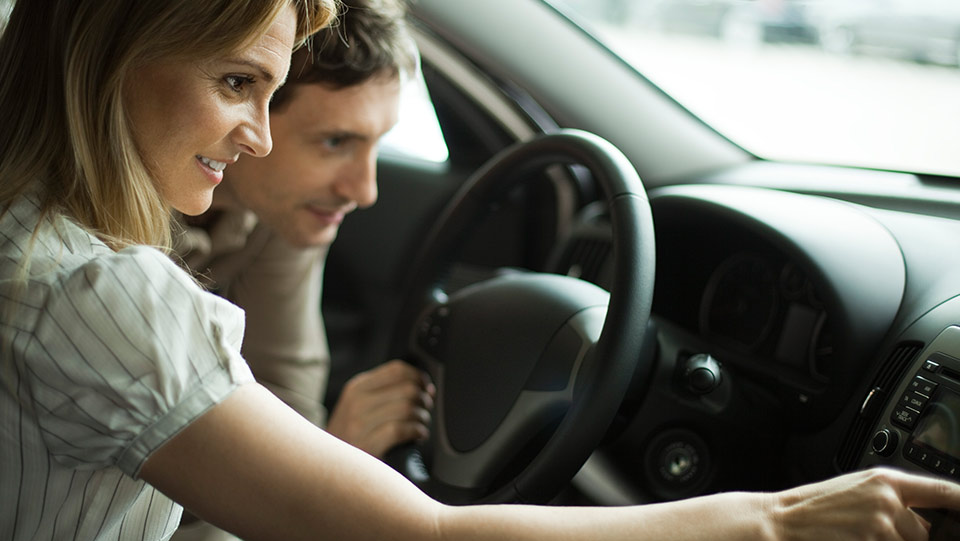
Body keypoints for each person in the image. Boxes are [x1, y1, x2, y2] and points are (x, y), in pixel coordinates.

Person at [3, 0, 960, 540]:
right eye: (235, 84)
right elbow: (418, 537)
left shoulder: (34, 238)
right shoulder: (101, 294)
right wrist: (775, 520)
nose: (254, 136)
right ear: (112, 54)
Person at [171, 0, 431, 461]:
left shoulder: (280, 214)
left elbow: (284, 397)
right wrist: (334, 459)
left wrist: (328, 453)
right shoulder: (104, 232)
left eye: (376, 142)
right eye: (334, 141)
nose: (364, 190)